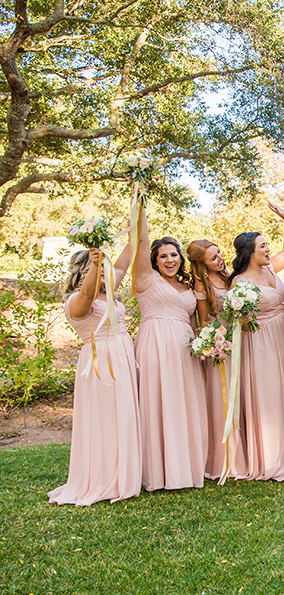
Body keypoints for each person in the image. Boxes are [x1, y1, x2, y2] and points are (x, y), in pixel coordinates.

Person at [49, 245, 141, 506]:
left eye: (104, 268)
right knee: (106, 418)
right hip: (102, 362)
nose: (104, 272)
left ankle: (124, 475)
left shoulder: (107, 290)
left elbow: (124, 262)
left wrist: (136, 219)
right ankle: (105, 478)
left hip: (122, 357)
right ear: (83, 271)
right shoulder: (76, 301)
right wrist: (96, 265)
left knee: (122, 415)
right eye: (97, 269)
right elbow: (88, 293)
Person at [132, 208, 207, 491]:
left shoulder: (188, 287)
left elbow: (193, 321)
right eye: (163, 255)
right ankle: (157, 471)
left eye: (174, 254)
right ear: (154, 261)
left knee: (185, 403)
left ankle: (184, 467)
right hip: (155, 343)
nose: (169, 260)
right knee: (158, 401)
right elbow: (141, 241)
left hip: (185, 348)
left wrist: (205, 345)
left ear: (181, 258)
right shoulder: (146, 279)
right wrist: (140, 201)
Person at [229, 203, 284, 482]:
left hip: (283, 334)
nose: (268, 250)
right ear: (249, 252)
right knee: (270, 394)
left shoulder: (271, 269)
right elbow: (240, 322)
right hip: (259, 342)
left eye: (268, 246)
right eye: (262, 247)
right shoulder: (240, 282)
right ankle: (272, 457)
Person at [186, 239, 236, 480]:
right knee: (221, 397)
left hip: (241, 341)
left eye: (219, 254)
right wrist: (213, 345)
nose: (220, 259)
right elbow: (204, 321)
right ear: (201, 264)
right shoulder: (201, 284)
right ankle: (222, 457)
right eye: (213, 258)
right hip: (220, 345)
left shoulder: (228, 277)